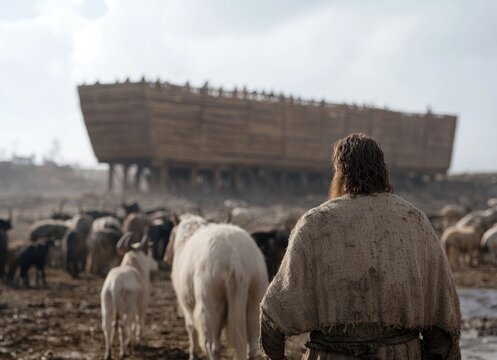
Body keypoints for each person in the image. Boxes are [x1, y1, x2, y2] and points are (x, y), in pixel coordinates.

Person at [260, 133, 461, 360]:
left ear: (340, 174)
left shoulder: (315, 224)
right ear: (383, 171)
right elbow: (444, 323)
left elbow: (273, 318)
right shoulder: (414, 221)